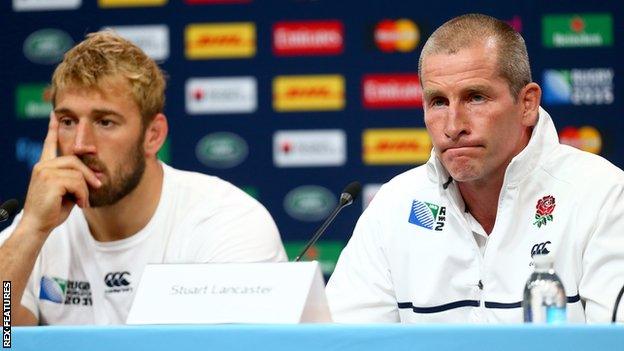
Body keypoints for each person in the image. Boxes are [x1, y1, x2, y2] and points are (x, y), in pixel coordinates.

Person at [326, 14, 624, 323]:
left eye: (475, 97)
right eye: (438, 102)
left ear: (527, 104)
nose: (453, 126)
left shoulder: (603, 195)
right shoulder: (394, 206)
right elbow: (343, 340)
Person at [0, 31, 287, 325]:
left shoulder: (228, 224)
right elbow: (4, 336)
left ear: (153, 135)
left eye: (105, 122)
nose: (80, 144)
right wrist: (31, 229)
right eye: (68, 122)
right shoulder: (37, 230)